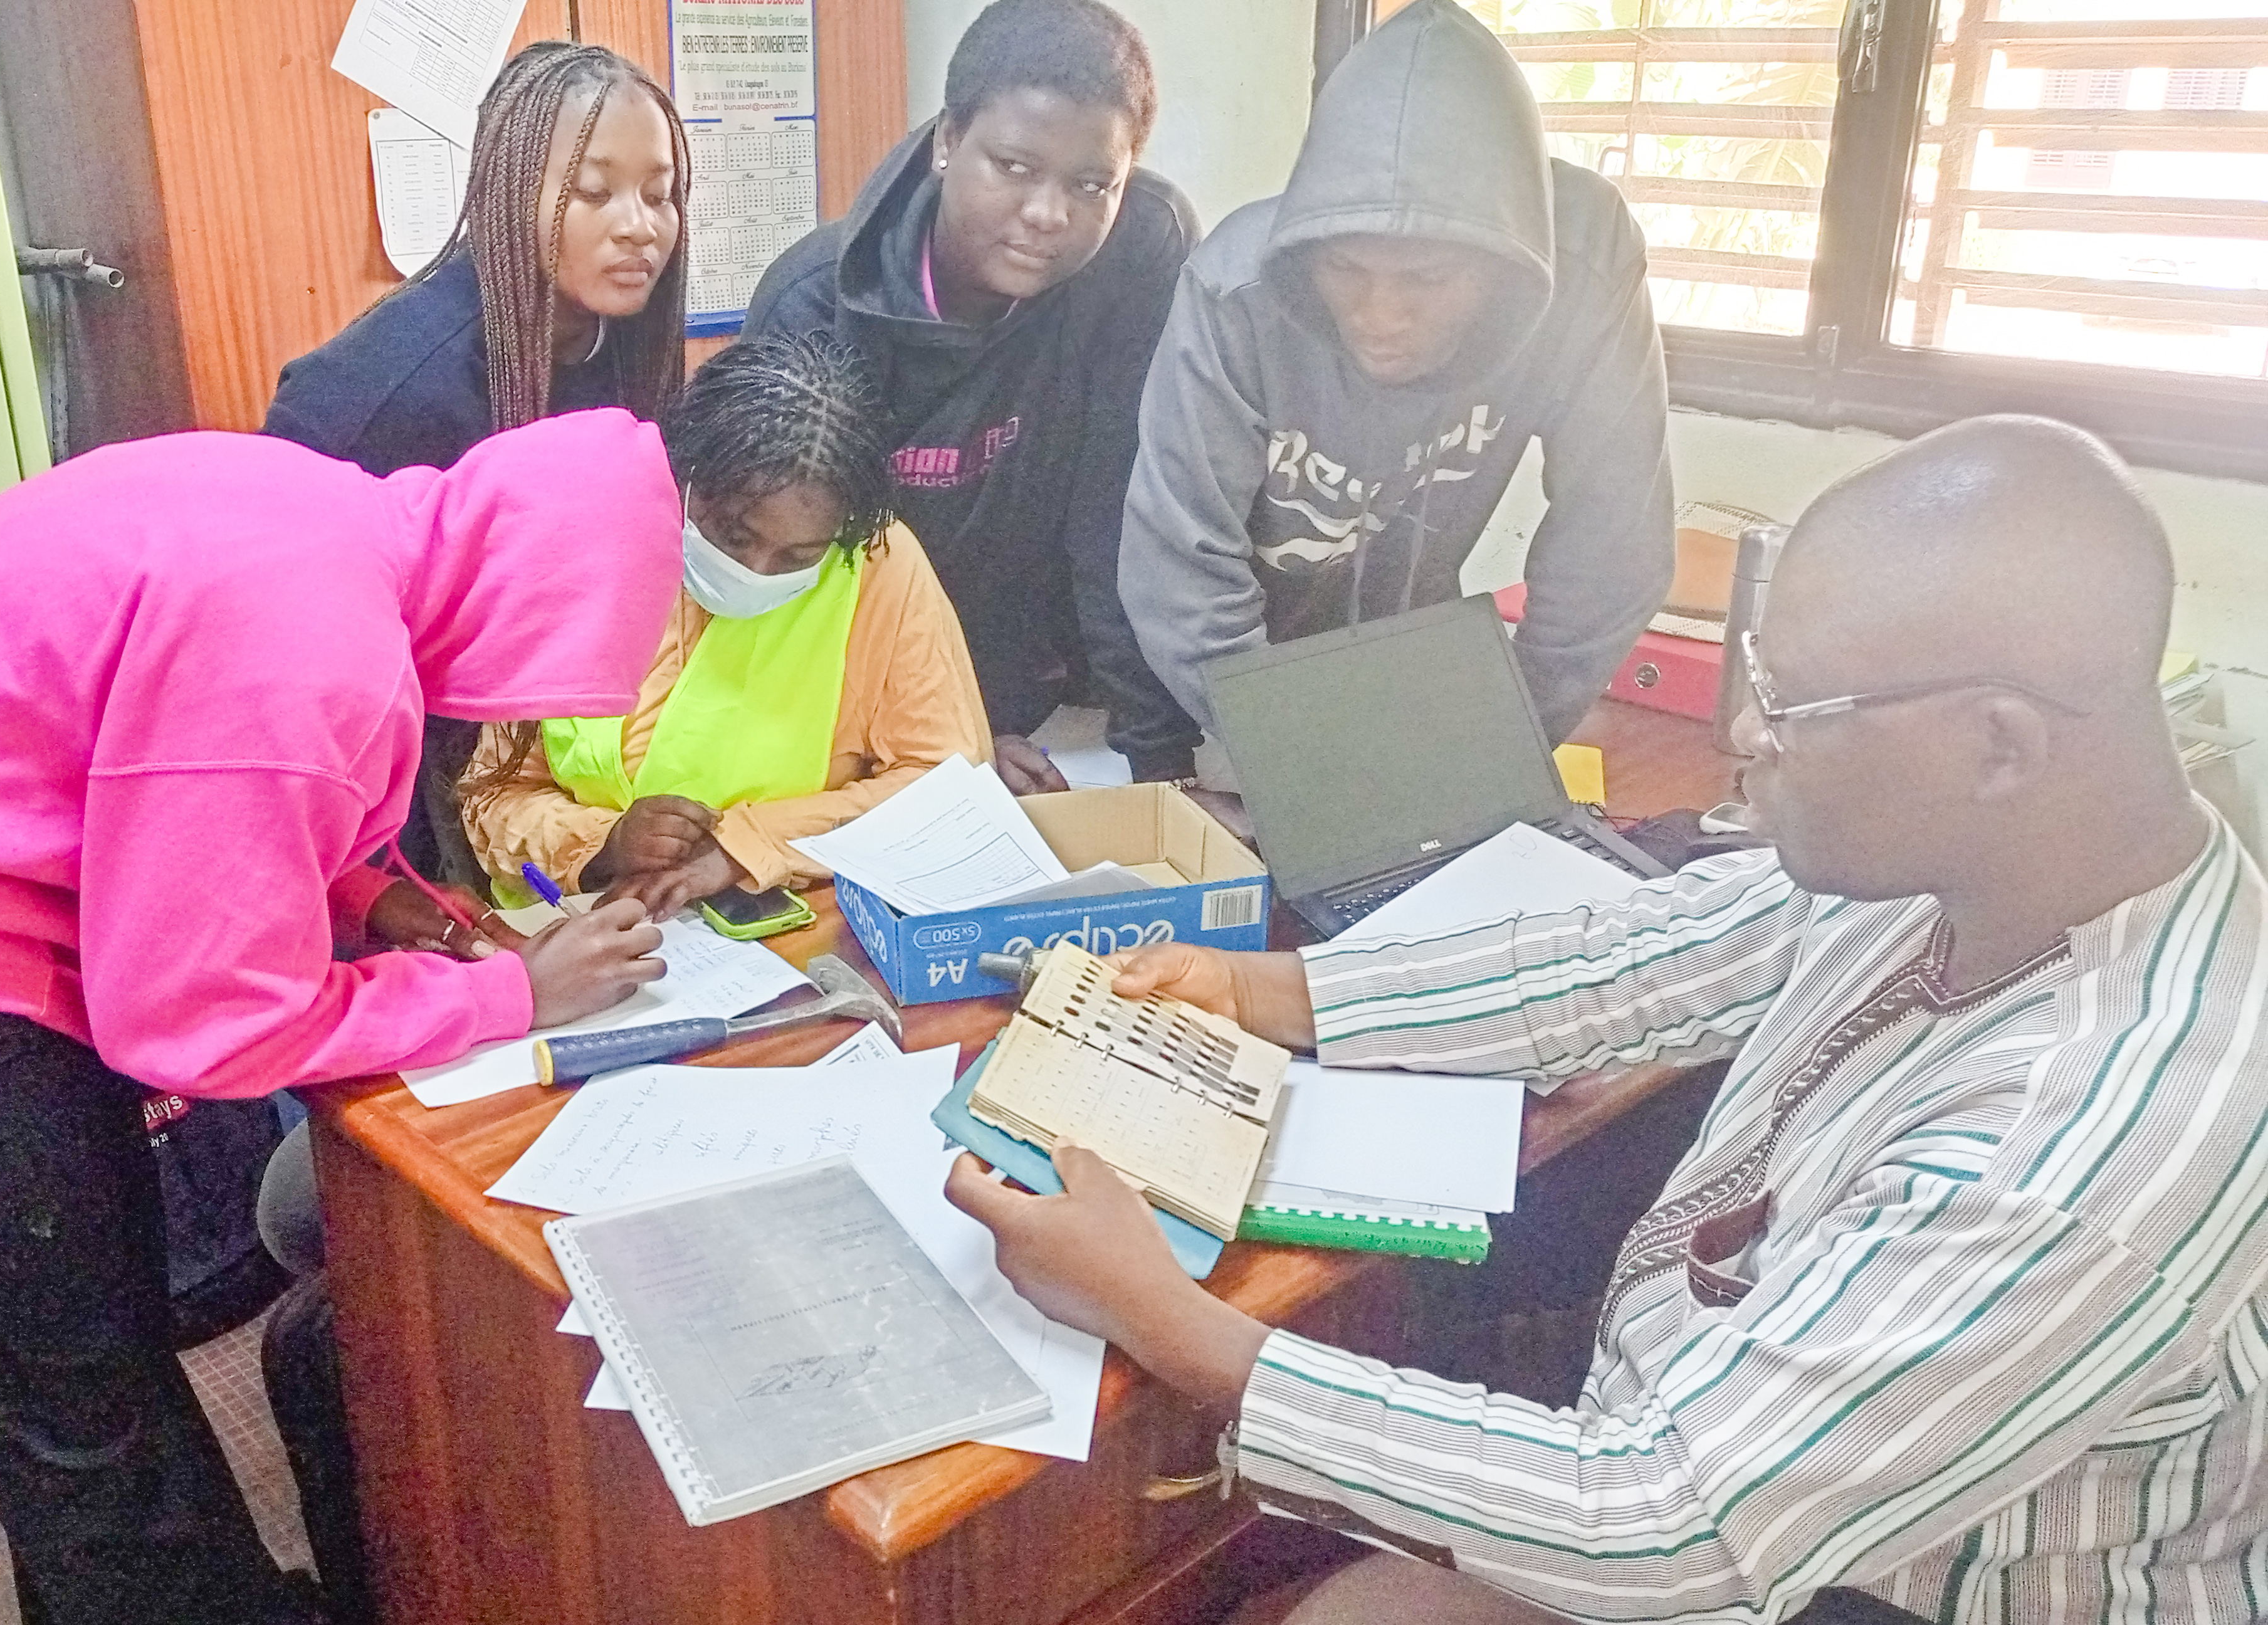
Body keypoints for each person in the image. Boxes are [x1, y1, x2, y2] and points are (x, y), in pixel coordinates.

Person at [954, 416, 2268, 1624]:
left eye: (1793, 705)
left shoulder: (2090, 1145)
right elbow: (1632, 960)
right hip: (1742, 1472)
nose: (1744, 732)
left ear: (2000, 746)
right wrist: (1257, 991)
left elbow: (1663, 1524)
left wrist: (1173, 1326)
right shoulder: (1994, 864)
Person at [0, 409, 683, 1625]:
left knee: (82, 1312)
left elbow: (185, 794)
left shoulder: (332, 517)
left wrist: (377, 902)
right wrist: (509, 994)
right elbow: (204, 1027)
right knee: (74, 1370)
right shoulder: (313, 648)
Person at [1118, 0, 1672, 747]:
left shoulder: (1583, 271)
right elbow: (1183, 569)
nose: (1381, 316)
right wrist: (1292, 757)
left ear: (1503, 271)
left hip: (1414, 651)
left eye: (1428, 279)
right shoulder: (1234, 295)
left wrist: (1509, 740)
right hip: (1223, 674)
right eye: (1346, 271)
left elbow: (1611, 546)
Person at [745, 0, 1200, 795]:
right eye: (1015, 167)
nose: (1048, 214)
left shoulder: (1138, 253)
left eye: (1092, 183)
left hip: (1057, 696)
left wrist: (1166, 770)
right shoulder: (815, 306)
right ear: (948, 141)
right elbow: (792, 580)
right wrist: (941, 731)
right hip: (870, 710)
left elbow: (1118, 509)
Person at [265, 39, 688, 887]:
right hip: (360, 752)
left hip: (489, 750)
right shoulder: (391, 385)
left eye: (660, 193)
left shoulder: (618, 343)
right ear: (508, 191)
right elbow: (284, 625)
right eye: (595, 192)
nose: (639, 226)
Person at [463, 331, 991, 920]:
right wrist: (604, 844)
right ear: (685, 479)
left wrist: (744, 849)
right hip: (569, 925)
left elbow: (946, 788)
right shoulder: (582, 547)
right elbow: (494, 794)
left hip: (778, 926)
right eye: (733, 535)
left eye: (798, 557)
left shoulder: (875, 563)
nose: (755, 570)